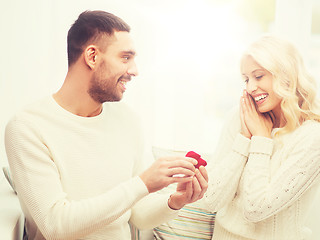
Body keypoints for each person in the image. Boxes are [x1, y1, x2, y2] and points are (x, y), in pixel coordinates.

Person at [4, 10, 208, 240]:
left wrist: (174, 202)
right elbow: (56, 225)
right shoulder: (27, 127)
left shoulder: (128, 120)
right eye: (125, 57)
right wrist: (142, 183)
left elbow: (137, 215)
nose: (134, 70)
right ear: (92, 56)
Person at [203, 35, 320, 240]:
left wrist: (261, 140)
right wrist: (244, 138)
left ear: (286, 75)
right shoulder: (239, 118)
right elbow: (211, 200)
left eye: (259, 76)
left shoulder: (315, 139)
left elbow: (255, 209)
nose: (250, 88)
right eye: (246, 79)